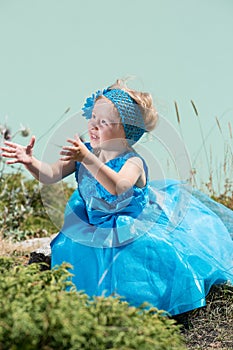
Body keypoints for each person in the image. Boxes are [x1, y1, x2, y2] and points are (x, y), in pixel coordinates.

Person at [1, 79, 233, 316]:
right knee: (78, 252)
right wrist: (30, 161)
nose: (94, 125)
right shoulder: (85, 152)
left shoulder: (132, 161)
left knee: (141, 262)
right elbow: (50, 175)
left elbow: (119, 187)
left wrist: (87, 159)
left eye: (104, 122)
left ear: (125, 132)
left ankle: (145, 309)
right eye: (93, 118)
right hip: (93, 224)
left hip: (131, 226)